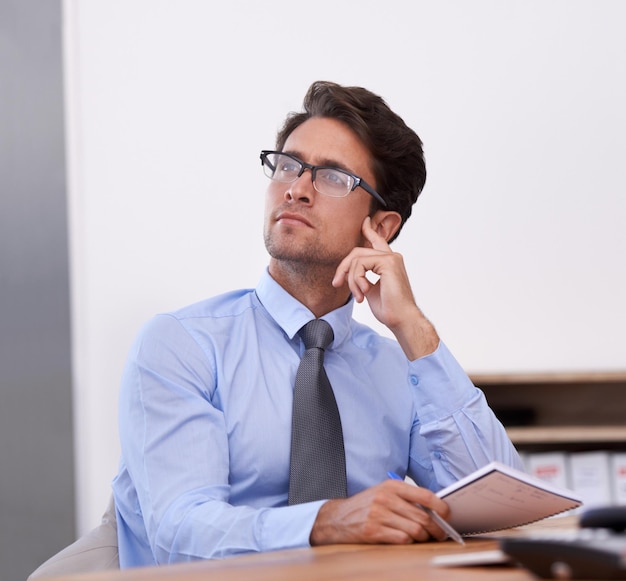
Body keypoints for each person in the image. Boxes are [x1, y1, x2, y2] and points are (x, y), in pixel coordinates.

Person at [112, 80, 523, 567]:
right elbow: (178, 531)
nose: (296, 188)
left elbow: (503, 508)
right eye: (288, 165)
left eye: (331, 177)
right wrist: (328, 521)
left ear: (382, 228)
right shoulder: (182, 344)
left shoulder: (398, 367)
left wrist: (413, 327)